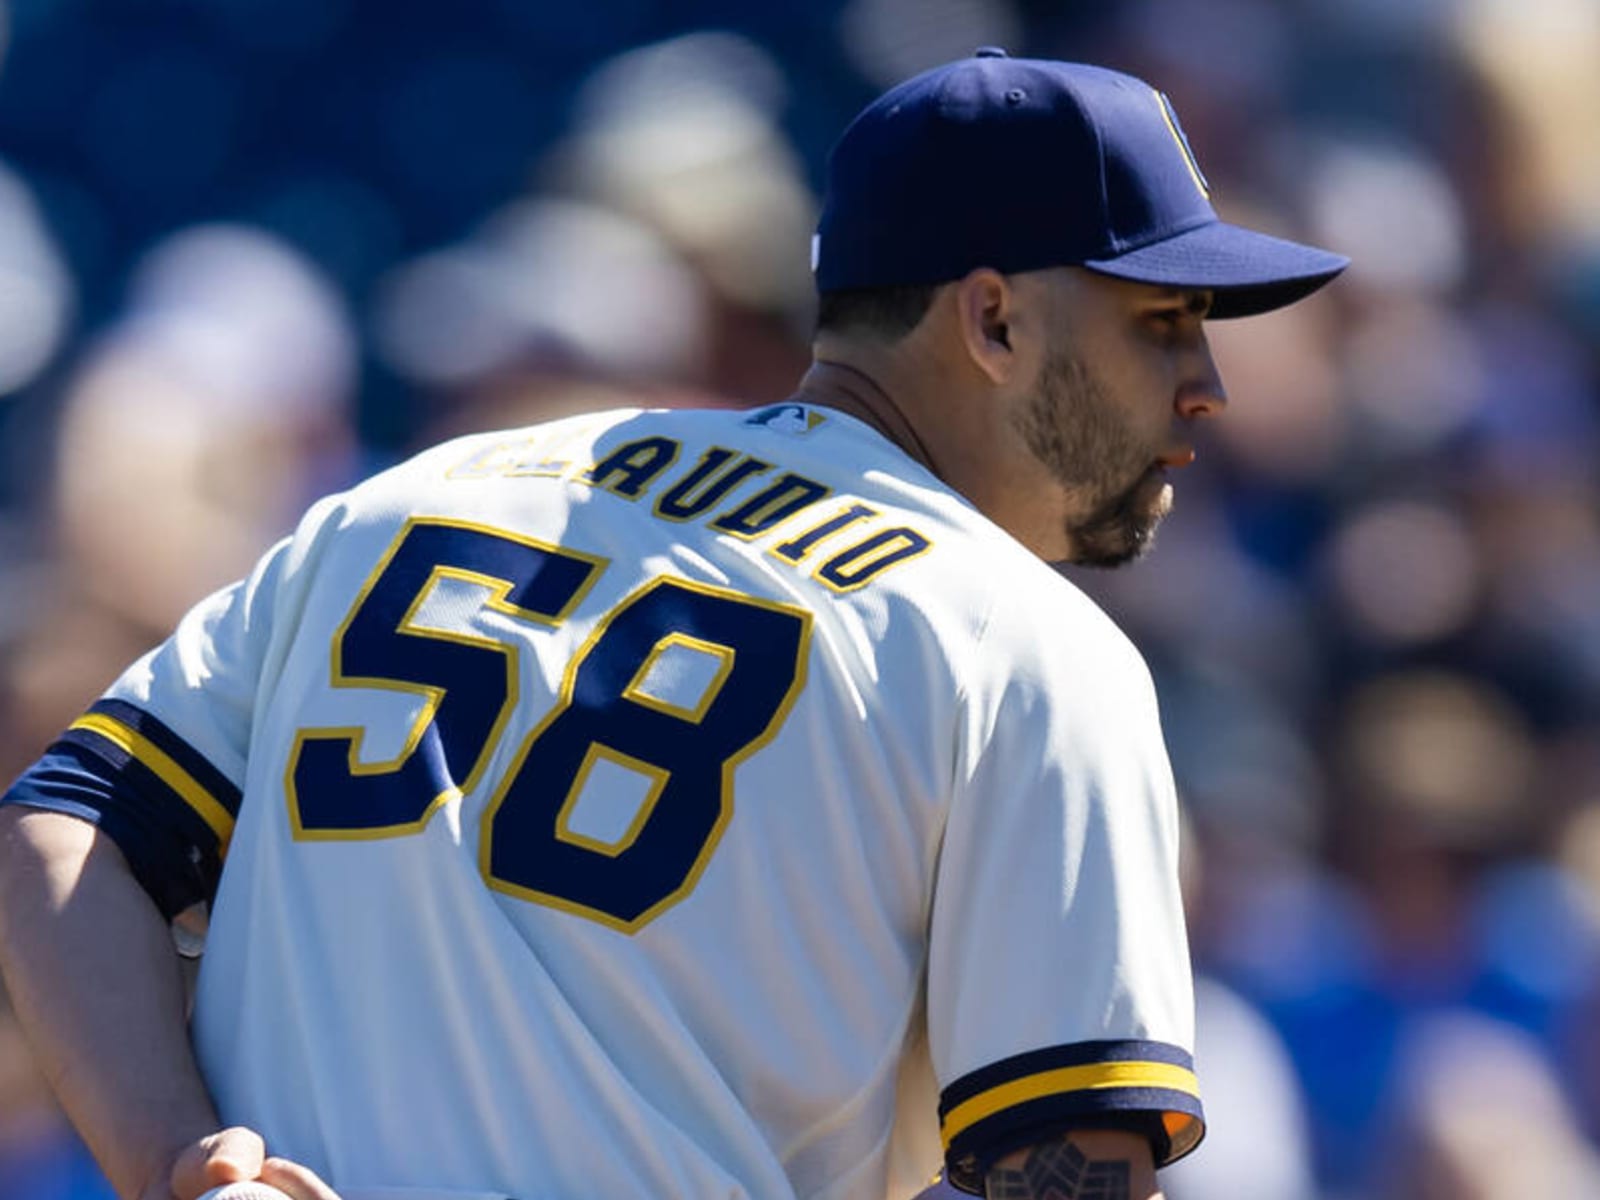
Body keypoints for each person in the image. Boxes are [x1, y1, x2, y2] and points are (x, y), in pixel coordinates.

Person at [0, 49, 1345, 1200]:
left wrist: (181, 1160)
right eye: (1162, 323)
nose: (1208, 384)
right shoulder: (1017, 645)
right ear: (991, 318)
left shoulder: (419, 496)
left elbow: (58, 828)